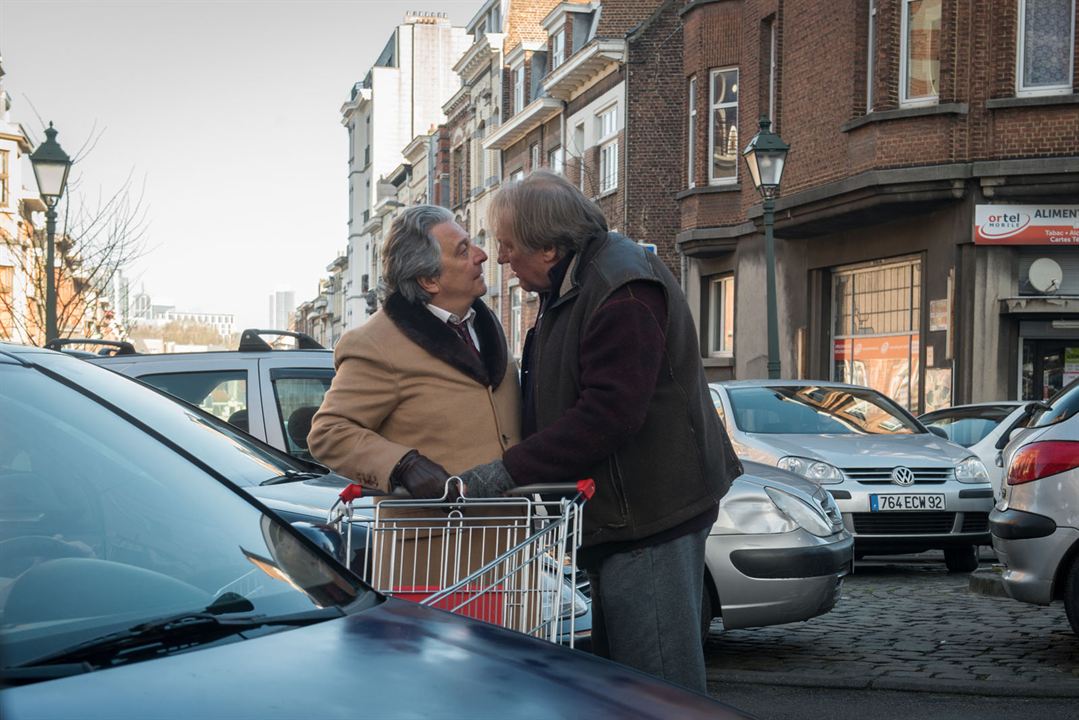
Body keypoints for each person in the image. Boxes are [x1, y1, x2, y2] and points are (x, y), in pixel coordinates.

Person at [458, 171, 743, 692]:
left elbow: (608, 414)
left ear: (547, 247)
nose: (500, 258)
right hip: (623, 515)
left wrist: (503, 473)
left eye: (507, 245)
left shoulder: (622, 288)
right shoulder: (574, 280)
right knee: (627, 682)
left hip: (650, 516)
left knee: (658, 687)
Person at [308, 204, 519, 499]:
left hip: (512, 533)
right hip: (435, 540)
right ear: (429, 280)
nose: (481, 255)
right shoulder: (375, 344)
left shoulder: (486, 323)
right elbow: (329, 432)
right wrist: (403, 464)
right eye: (463, 250)